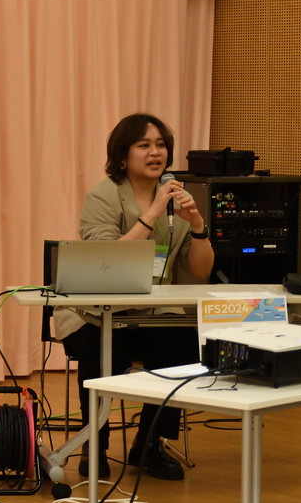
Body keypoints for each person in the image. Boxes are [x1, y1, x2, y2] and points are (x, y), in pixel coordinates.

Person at [56, 113, 214, 480]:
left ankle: (149, 444)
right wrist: (154, 212)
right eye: (144, 145)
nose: (155, 152)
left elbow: (201, 270)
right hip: (97, 311)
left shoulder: (178, 198)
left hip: (153, 311)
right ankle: (94, 444)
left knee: (182, 344)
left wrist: (197, 226)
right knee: (98, 347)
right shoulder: (105, 195)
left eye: (160, 145)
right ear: (123, 156)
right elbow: (106, 260)